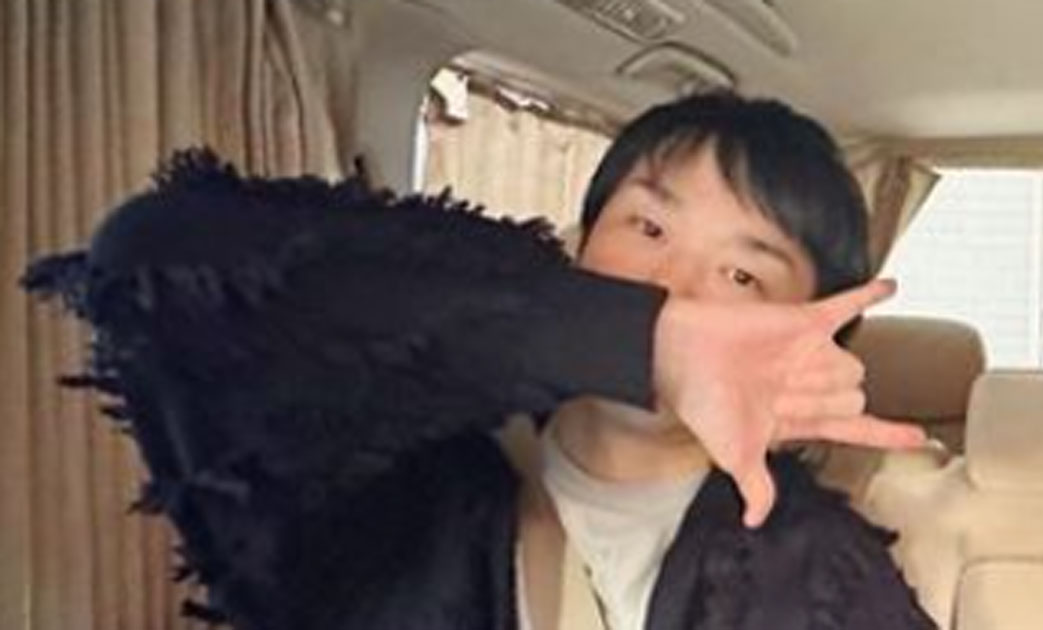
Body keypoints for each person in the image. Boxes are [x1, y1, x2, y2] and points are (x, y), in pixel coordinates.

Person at [22, 92, 935, 630]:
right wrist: (635, 343)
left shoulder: (823, 569)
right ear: (579, 250)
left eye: (742, 274)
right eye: (649, 228)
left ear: (804, 339)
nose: (676, 289)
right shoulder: (392, 474)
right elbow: (150, 255)